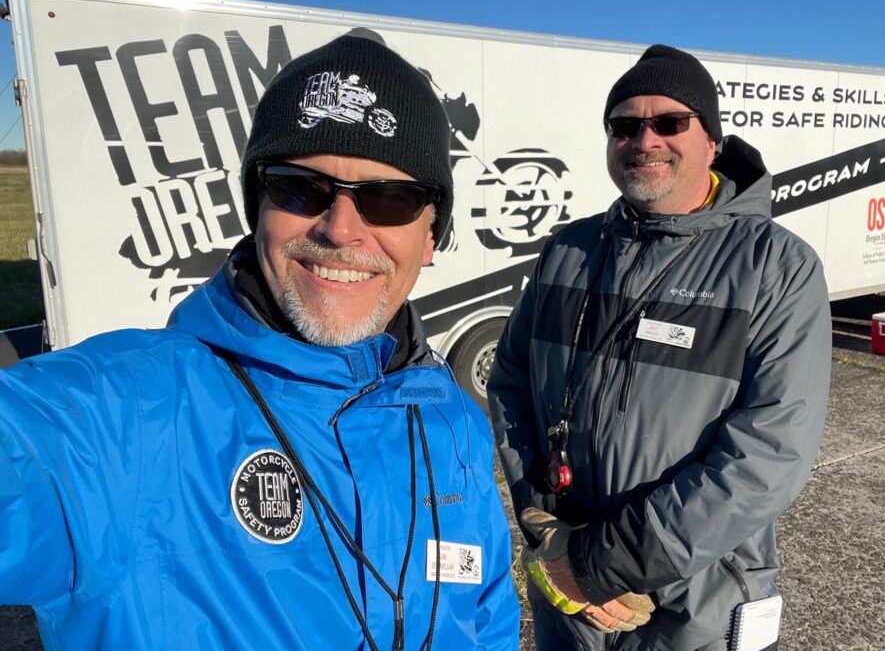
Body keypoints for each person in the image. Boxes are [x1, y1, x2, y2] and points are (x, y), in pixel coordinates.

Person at [0, 33, 519, 650]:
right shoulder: (125, 412)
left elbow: (487, 617)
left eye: (391, 199)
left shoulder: (453, 422)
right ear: (256, 206)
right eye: (301, 188)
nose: (340, 229)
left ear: (432, 236)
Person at [488, 44, 832, 650]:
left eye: (670, 122)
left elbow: (770, 452)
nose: (644, 140)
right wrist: (542, 519)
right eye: (625, 126)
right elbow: (512, 382)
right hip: (567, 580)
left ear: (712, 142)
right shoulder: (567, 250)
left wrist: (610, 563)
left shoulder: (776, 266)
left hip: (695, 595)